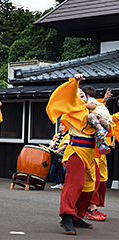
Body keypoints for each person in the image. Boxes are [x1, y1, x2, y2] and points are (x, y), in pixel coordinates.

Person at [46, 74, 111, 235]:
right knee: (75, 184)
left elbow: (108, 128)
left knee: (90, 187)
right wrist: (74, 82)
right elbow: (69, 94)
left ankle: (77, 215)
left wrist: (103, 122)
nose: (81, 95)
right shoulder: (73, 110)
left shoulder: (96, 109)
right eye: (78, 94)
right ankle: (67, 216)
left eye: (83, 94)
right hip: (75, 150)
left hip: (91, 153)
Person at [80, 85, 112, 154]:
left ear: (86, 96)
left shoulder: (89, 101)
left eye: (81, 93)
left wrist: (84, 105)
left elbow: (93, 105)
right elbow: (100, 103)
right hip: (105, 120)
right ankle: (102, 145)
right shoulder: (95, 101)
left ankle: (101, 131)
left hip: (101, 118)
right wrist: (105, 99)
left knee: (91, 117)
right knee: (97, 134)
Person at [48, 123, 69, 189]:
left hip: (65, 156)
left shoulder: (68, 136)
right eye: (60, 125)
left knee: (66, 172)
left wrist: (58, 150)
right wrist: (49, 147)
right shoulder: (56, 135)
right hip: (57, 157)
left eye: (62, 125)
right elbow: (52, 143)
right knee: (53, 172)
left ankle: (66, 185)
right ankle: (58, 183)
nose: (60, 126)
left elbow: (65, 145)